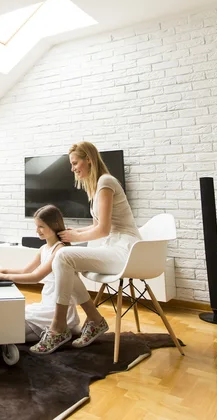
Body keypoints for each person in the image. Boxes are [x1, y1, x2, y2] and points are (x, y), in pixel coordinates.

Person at [30, 141, 141, 355]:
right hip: (115, 245)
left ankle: (59, 327)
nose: (72, 168)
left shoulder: (106, 182)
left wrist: (76, 236)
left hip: (126, 250)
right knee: (66, 260)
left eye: (74, 163)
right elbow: (99, 226)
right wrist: (77, 233)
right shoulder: (98, 186)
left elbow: (104, 229)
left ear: (88, 159)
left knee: (63, 256)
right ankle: (94, 319)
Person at [0, 205, 81, 342]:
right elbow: (25, 271)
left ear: (54, 225)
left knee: (10, 333)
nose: (37, 231)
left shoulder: (60, 250)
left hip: (57, 308)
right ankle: (67, 331)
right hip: (46, 304)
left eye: (41, 226)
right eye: (36, 226)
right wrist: (2, 270)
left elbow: (36, 277)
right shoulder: (43, 248)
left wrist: (3, 277)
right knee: (11, 329)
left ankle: (66, 328)